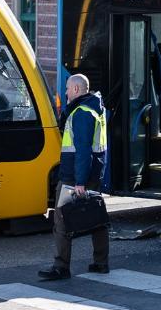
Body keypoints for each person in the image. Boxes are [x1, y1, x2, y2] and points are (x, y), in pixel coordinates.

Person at [39, 74, 109, 280]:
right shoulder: (96, 108)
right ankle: (100, 263)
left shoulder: (81, 113)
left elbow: (82, 150)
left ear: (77, 90)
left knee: (61, 220)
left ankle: (61, 267)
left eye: (68, 89)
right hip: (93, 171)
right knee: (96, 219)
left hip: (74, 176)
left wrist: (79, 182)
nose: (66, 93)